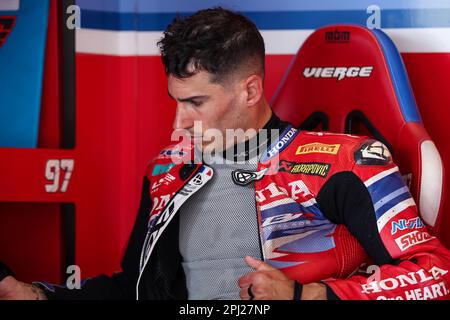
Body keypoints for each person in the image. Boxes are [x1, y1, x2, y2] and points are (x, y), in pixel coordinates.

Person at [1, 7, 450, 301]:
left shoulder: (344, 163)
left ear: (250, 89)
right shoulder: (170, 169)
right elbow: (134, 289)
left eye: (195, 103)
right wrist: (40, 295)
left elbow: (434, 276)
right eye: (176, 100)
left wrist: (306, 296)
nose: (178, 123)